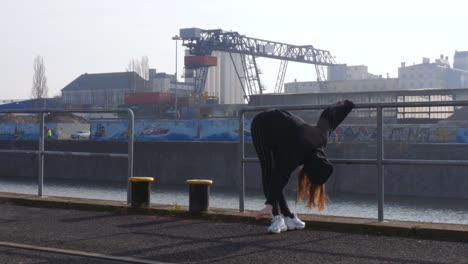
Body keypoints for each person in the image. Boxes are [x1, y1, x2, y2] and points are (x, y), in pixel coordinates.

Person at [251, 100, 355, 234]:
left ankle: (288, 216)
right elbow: (278, 177)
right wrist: (269, 205)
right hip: (262, 125)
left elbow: (329, 115)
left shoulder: (321, 138)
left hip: (283, 126)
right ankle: (276, 217)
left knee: (276, 173)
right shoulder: (294, 155)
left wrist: (346, 105)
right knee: (268, 169)